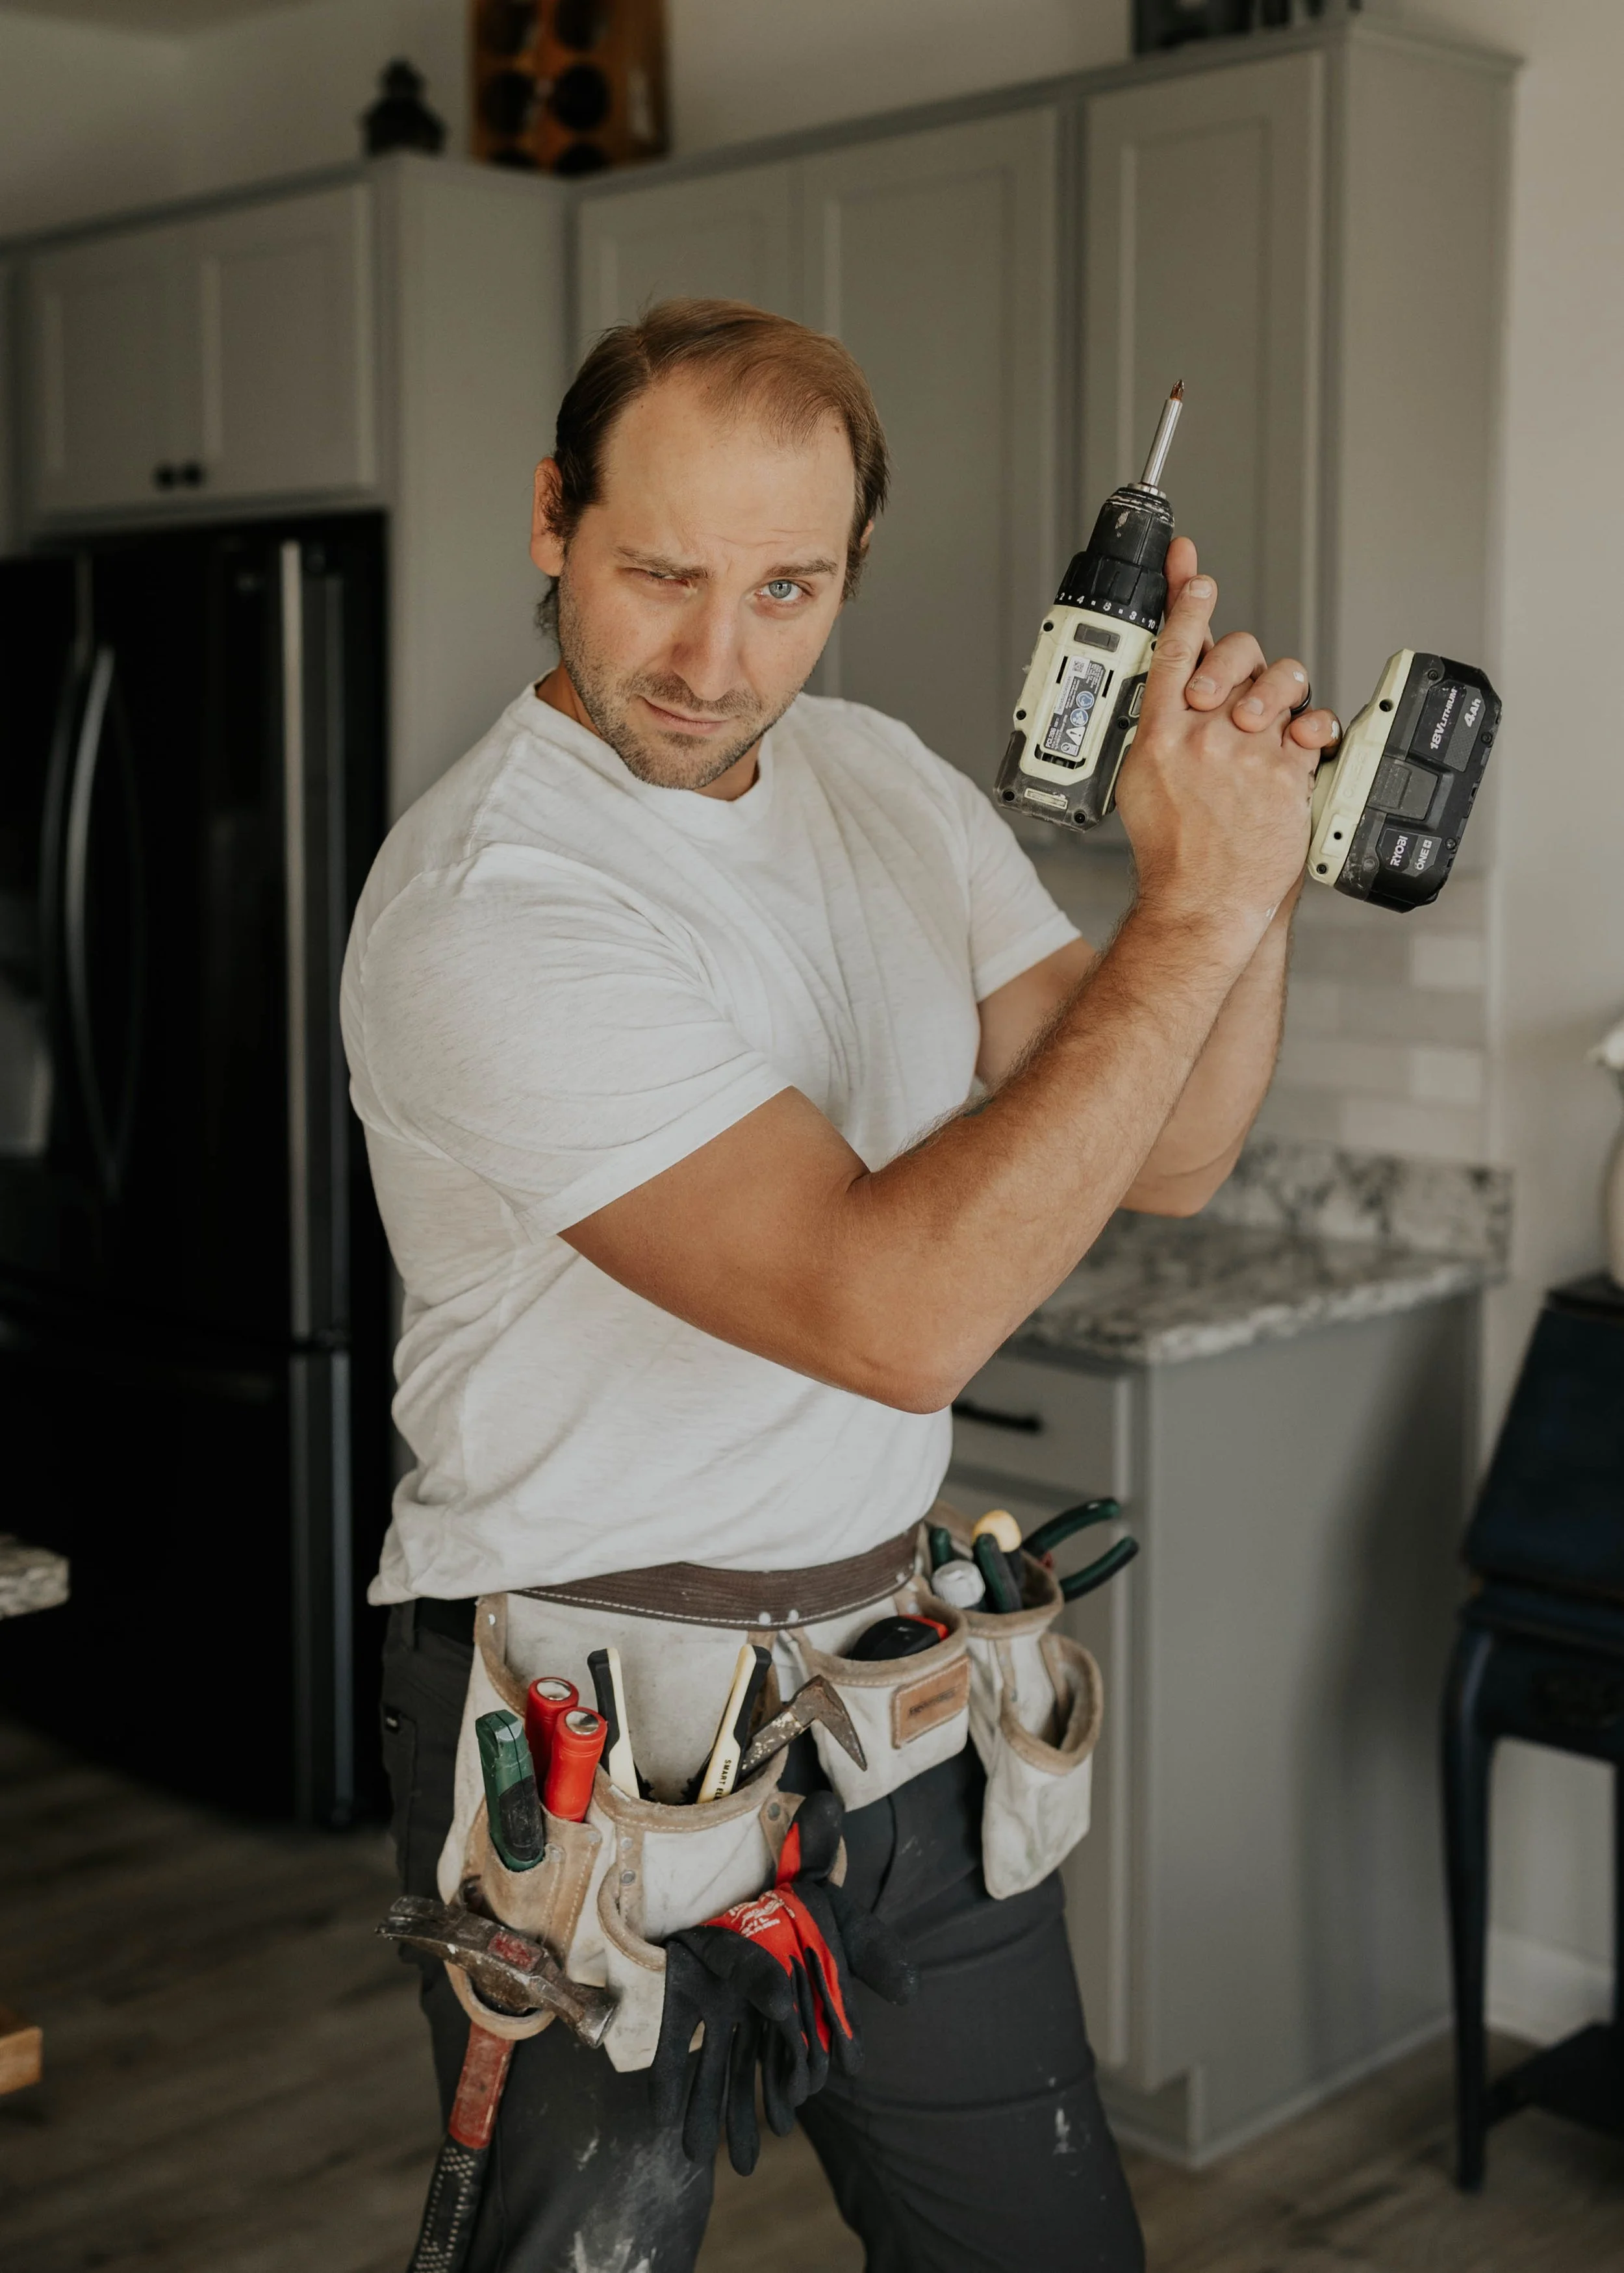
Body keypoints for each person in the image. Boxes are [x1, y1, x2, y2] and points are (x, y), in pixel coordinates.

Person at [343, 298, 1339, 2272]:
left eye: (788, 588)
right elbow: (891, 1310)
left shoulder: (880, 779)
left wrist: (1242, 877)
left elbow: (1168, 1147)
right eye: (662, 575)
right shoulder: (493, 905)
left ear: (847, 575)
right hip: (582, 1736)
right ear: (553, 519)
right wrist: (1198, 917)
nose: (718, 660)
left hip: (898, 1701)